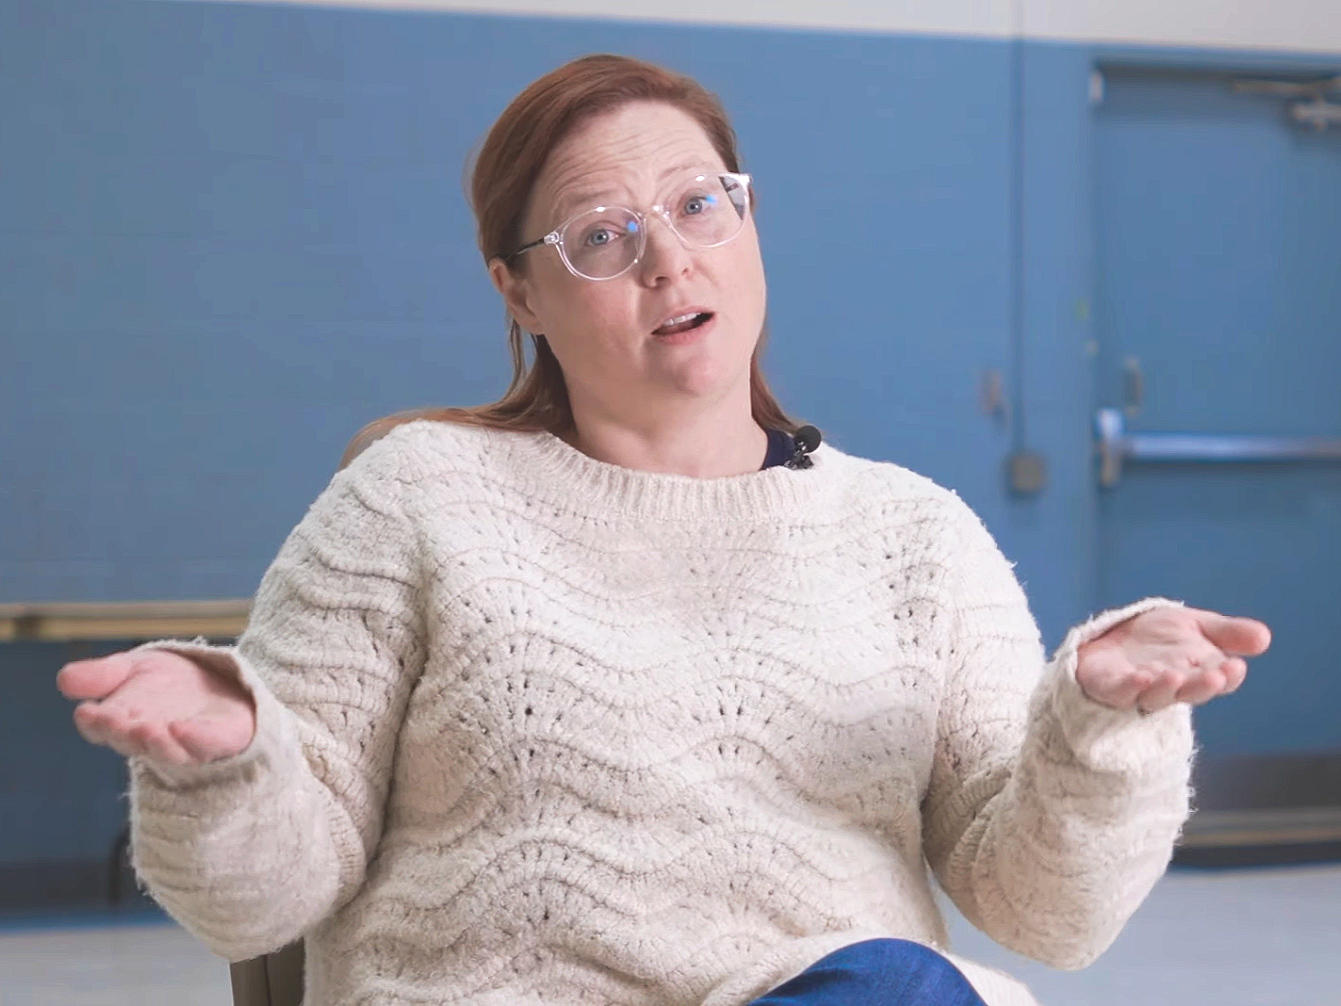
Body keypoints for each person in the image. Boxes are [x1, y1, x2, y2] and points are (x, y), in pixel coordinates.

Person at [56, 54, 1271, 1006]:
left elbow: (1046, 912)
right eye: (602, 234)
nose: (669, 259)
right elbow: (259, 898)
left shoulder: (914, 536)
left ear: (750, 222)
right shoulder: (418, 496)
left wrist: (1100, 730)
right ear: (518, 291)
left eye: (700, 205)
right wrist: (228, 761)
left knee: (898, 984)